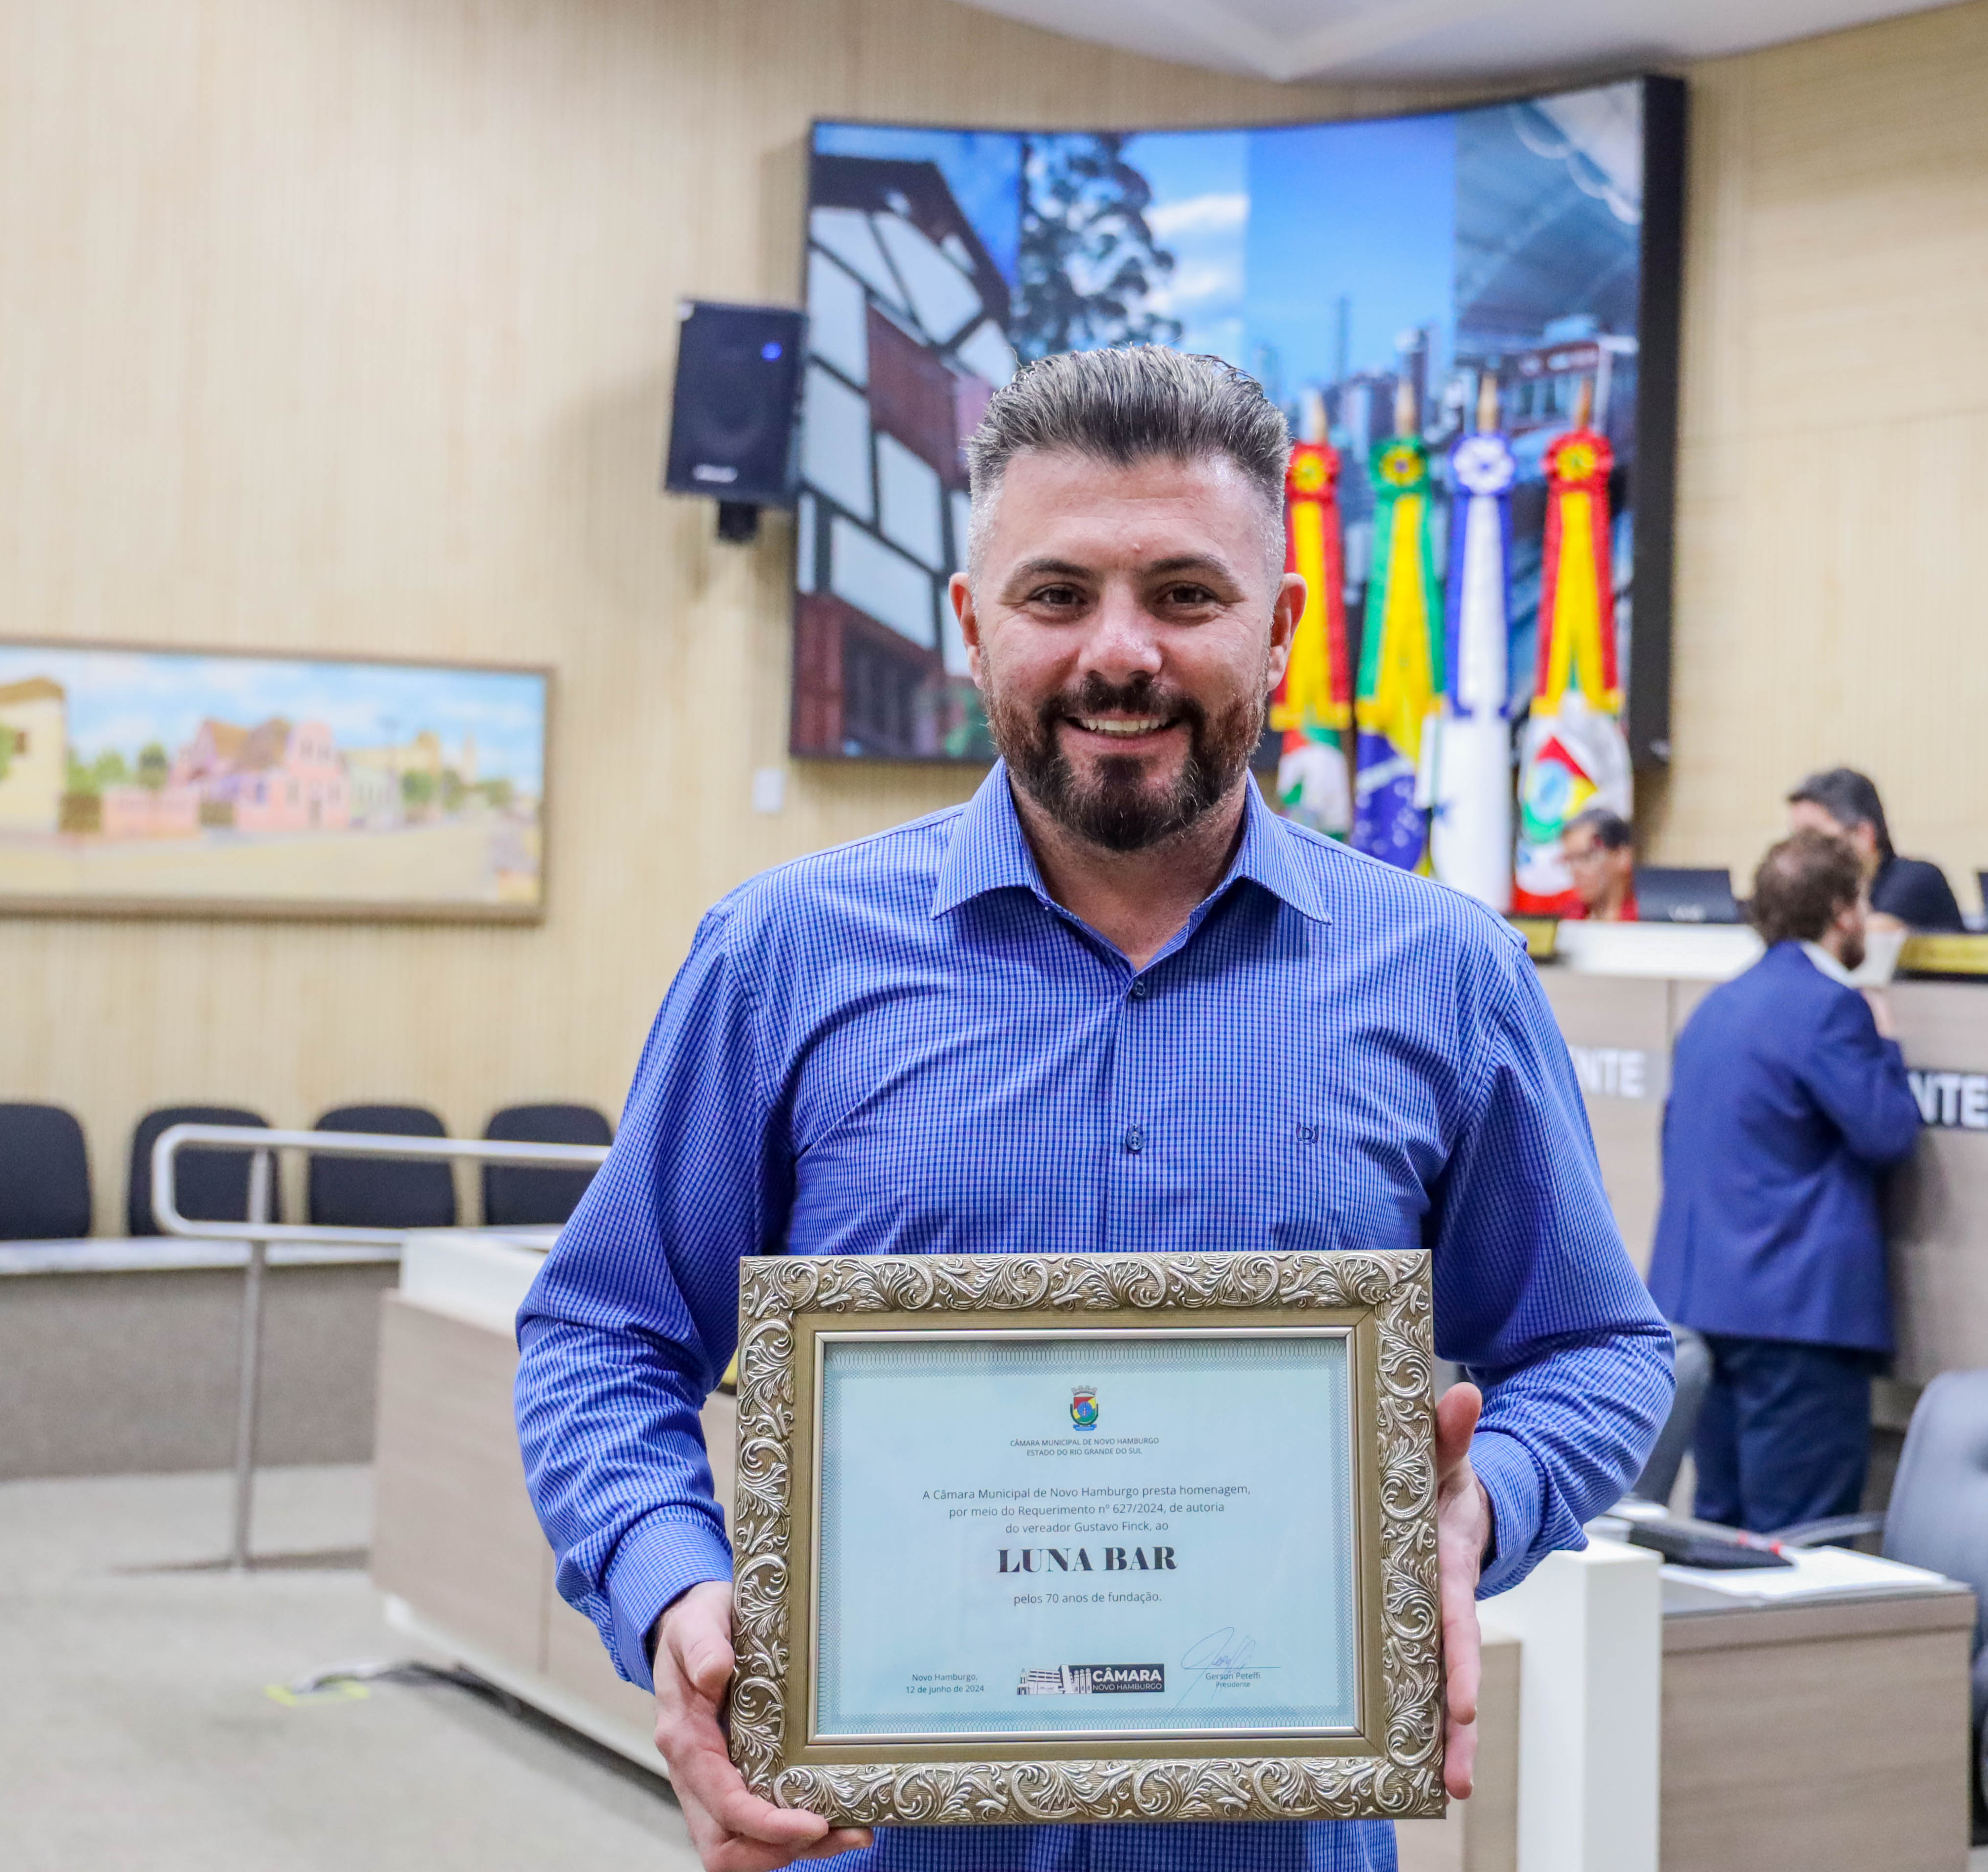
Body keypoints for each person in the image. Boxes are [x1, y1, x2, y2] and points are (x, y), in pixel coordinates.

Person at [514, 348, 1675, 1872]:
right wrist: (677, 1592)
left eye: (1184, 595)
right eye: (1056, 594)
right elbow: (602, 1332)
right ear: (971, 625)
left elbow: (1597, 1346)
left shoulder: (1444, 971)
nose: (1116, 652)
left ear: (1278, 630)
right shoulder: (780, 955)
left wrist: (1467, 1517)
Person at [1645, 833, 1917, 1534]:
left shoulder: (1716, 1007)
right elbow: (1888, 1133)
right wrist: (1886, 1042)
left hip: (1704, 1309)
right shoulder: (1833, 1006)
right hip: (1796, 1322)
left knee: (1720, 1532)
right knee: (1793, 1547)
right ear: (1842, 910)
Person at [1785, 768, 1962, 933]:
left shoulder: (1917, 880)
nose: (1799, 850)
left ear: (1864, 835)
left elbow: (1867, 933)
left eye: (1812, 838)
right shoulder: (1812, 889)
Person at [1559, 803, 1638, 920]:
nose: (1576, 871)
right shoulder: (1567, 919)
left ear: (1622, 856)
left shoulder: (1651, 918)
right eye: (1570, 860)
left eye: (1586, 857)